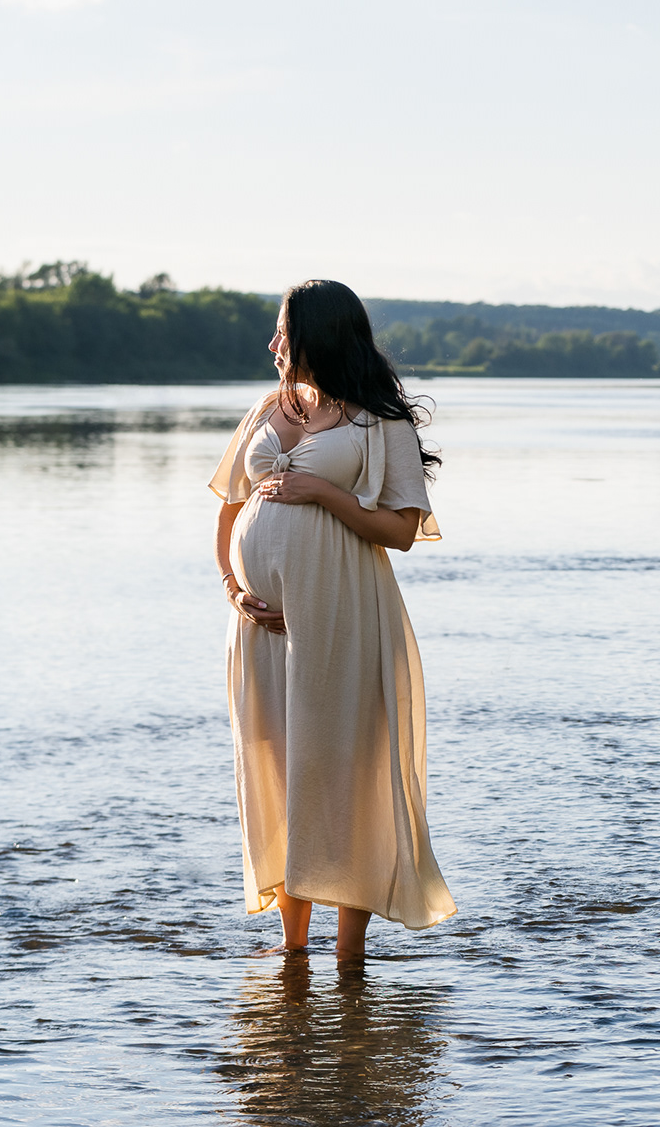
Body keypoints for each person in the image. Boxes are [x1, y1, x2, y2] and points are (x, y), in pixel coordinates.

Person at [208, 279, 457, 961]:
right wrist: (234, 588)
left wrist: (320, 490)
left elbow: (402, 530)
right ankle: (293, 952)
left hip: (341, 621)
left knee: (340, 777)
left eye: (283, 333)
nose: (272, 345)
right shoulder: (268, 407)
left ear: (318, 336)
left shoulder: (380, 422)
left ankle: (350, 962)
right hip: (259, 631)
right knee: (279, 772)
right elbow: (229, 509)